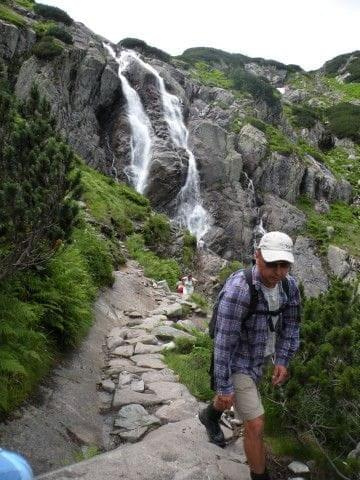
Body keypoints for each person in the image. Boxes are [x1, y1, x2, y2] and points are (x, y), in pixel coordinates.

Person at [199, 231, 301, 480]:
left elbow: (291, 326)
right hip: (238, 360)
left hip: (262, 356)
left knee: (229, 403)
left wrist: (284, 360)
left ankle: (209, 415)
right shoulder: (239, 291)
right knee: (255, 424)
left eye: (284, 265)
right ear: (257, 256)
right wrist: (224, 385)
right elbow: (223, 343)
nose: (278, 272)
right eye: (271, 264)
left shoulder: (289, 286)